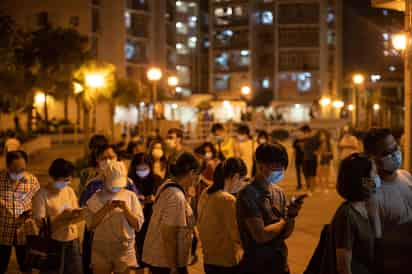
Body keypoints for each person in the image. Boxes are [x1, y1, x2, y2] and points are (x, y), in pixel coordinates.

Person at [236, 143, 304, 274]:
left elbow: (286, 233)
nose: (280, 170)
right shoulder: (248, 194)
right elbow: (260, 235)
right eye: (276, 165)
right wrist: (283, 221)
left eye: (282, 166)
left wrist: (291, 216)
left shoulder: (279, 192)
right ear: (260, 165)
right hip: (256, 266)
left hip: (280, 263)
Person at [80, 144, 139, 274]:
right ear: (97, 159)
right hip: (100, 241)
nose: (107, 161)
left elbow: (137, 212)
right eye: (104, 158)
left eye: (111, 157)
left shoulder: (128, 183)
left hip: (123, 241)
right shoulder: (92, 184)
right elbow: (86, 211)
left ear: (117, 158)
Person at [143, 152, 200, 274]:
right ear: (191, 173)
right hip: (166, 263)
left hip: (159, 259)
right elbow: (169, 235)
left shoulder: (168, 185)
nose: (198, 179)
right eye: (197, 174)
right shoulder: (176, 196)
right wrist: (173, 268)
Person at [32, 158, 84, 274]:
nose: (68, 182)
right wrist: (60, 218)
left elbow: (75, 211)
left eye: (69, 179)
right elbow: (41, 224)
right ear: (54, 177)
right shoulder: (41, 195)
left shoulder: (69, 191)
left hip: (72, 240)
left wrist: (78, 215)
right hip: (53, 243)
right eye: (65, 179)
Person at [197, 158, 246, 274]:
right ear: (235, 177)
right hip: (227, 262)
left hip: (209, 259)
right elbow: (237, 235)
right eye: (242, 179)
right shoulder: (227, 199)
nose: (242, 184)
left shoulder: (206, 193)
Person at [332, 153, 377, 274]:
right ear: (362, 180)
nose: (377, 178)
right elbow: (343, 266)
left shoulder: (367, 207)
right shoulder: (347, 215)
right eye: (374, 174)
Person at [0, 150, 40, 273]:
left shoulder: (32, 181)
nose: (18, 173)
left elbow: (39, 203)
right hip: (2, 233)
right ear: (7, 166)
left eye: (22, 170)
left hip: (24, 232)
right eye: (14, 170)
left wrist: (31, 213)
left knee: (26, 268)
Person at [128, 153, 163, 265]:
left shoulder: (157, 180)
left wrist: (154, 198)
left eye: (145, 168)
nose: (142, 171)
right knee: (139, 256)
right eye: (139, 168)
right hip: (136, 222)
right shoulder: (129, 182)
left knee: (153, 256)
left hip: (153, 221)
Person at [302, 126, 320, 192]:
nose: (304, 133)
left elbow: (320, 145)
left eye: (305, 132)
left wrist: (317, 152)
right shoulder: (304, 139)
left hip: (312, 158)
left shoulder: (314, 138)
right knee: (306, 173)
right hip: (306, 158)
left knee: (312, 173)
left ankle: (312, 187)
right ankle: (309, 187)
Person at [292, 126, 308, 190]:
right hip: (299, 157)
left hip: (303, 157)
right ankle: (300, 185)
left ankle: (306, 184)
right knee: (300, 172)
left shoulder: (307, 139)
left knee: (305, 171)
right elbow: (294, 147)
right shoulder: (297, 139)